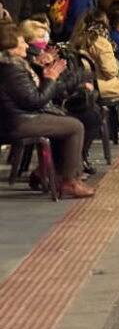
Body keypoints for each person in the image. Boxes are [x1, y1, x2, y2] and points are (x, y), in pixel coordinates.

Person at [0, 21, 95, 197]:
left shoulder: (15, 65)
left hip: (21, 117)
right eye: (22, 41)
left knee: (64, 123)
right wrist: (51, 78)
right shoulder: (11, 69)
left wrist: (43, 70)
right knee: (74, 126)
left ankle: (48, 172)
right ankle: (69, 181)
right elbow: (34, 100)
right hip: (17, 121)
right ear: (11, 45)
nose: (26, 45)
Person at [68, 9, 119, 104]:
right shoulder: (101, 41)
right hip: (101, 85)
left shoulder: (75, 40)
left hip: (82, 84)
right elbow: (110, 72)